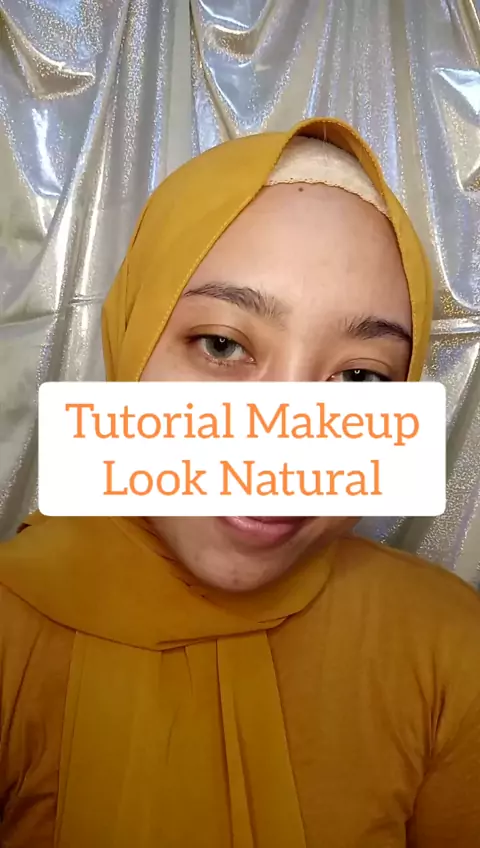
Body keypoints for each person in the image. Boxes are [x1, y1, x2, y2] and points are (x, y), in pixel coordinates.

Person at [0, 117, 479, 848]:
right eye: (223, 346)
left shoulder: (450, 645)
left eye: (359, 378)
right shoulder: (13, 624)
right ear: (131, 340)